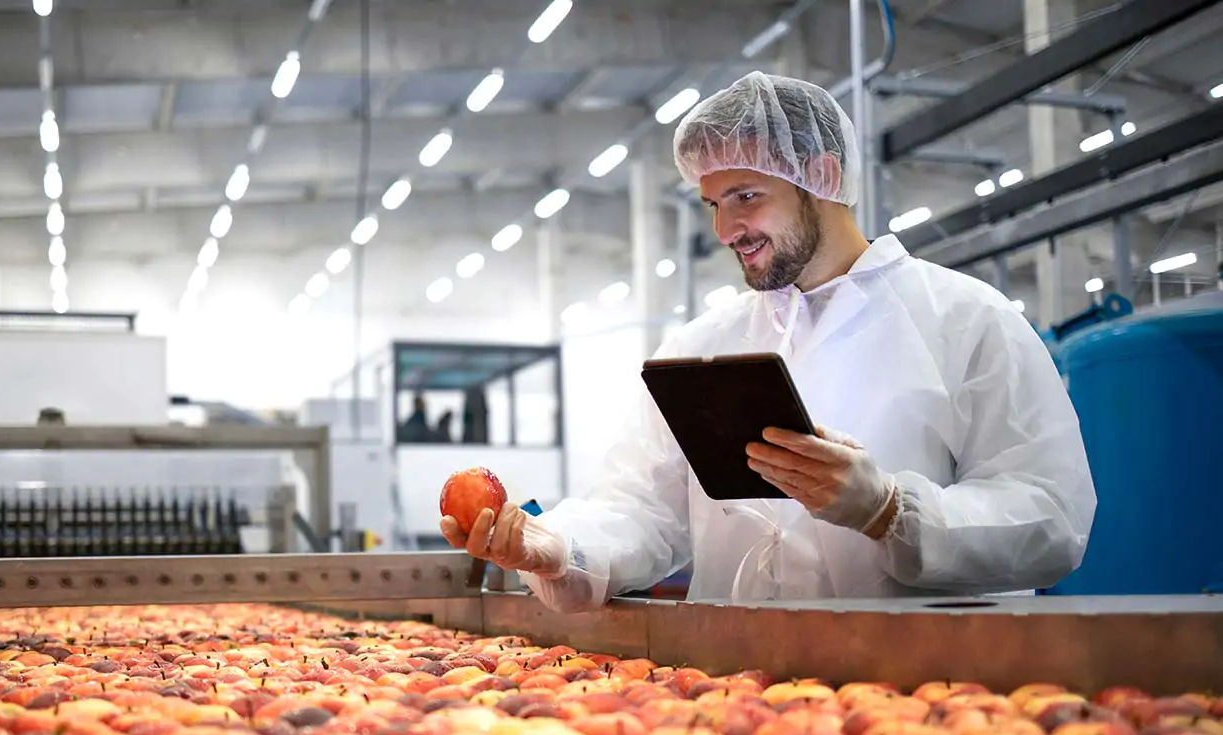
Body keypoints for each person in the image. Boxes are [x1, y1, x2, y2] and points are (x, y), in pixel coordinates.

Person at [440, 71, 1097, 611]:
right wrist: (558, 547)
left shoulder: (966, 321)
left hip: (931, 694)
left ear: (824, 176)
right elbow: (640, 507)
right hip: (743, 691)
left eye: (747, 196)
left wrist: (891, 510)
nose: (726, 228)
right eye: (713, 203)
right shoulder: (702, 346)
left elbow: (1051, 518)